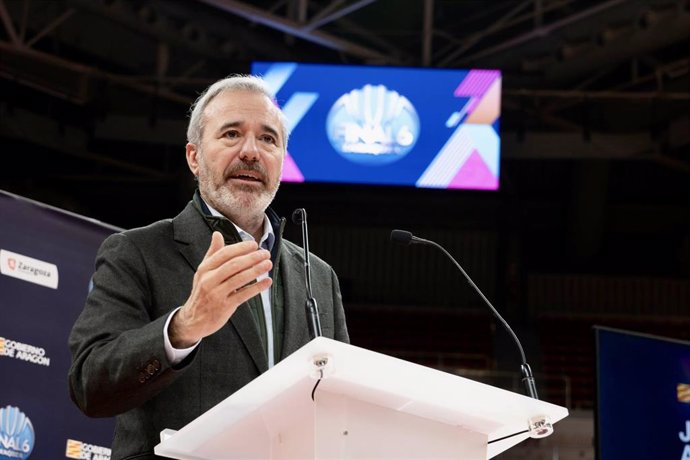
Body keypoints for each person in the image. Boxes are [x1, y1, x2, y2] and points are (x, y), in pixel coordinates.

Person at [68, 75, 349, 460]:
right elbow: (90, 385)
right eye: (231, 134)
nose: (251, 151)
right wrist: (184, 327)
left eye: (268, 139)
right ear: (194, 157)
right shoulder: (136, 252)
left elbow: (341, 406)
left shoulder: (318, 277)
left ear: (282, 160)